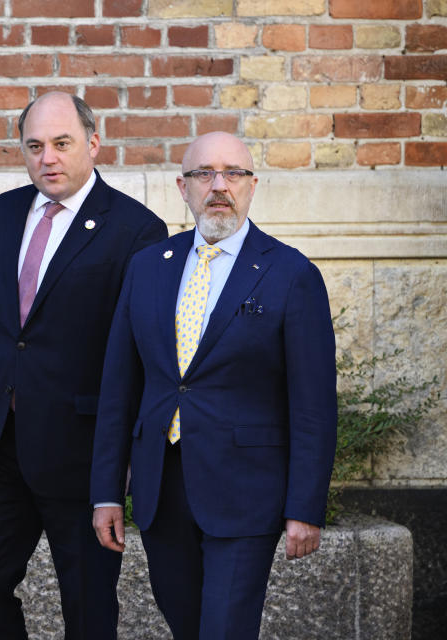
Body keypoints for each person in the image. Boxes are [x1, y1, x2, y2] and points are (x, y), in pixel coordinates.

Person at [0, 92, 167, 639]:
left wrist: (126, 453)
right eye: (34, 146)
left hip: (81, 453)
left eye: (61, 144)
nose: (48, 158)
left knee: (86, 606)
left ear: (93, 143)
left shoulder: (137, 230)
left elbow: (139, 355)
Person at [91, 131, 337, 639]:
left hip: (247, 491)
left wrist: (305, 507)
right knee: (186, 625)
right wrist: (106, 492)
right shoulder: (148, 268)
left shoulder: (291, 274)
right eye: (204, 174)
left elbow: (313, 405)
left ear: (252, 186)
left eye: (233, 174)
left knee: (225, 628)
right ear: (183, 187)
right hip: (163, 487)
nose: (218, 185)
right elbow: (120, 386)